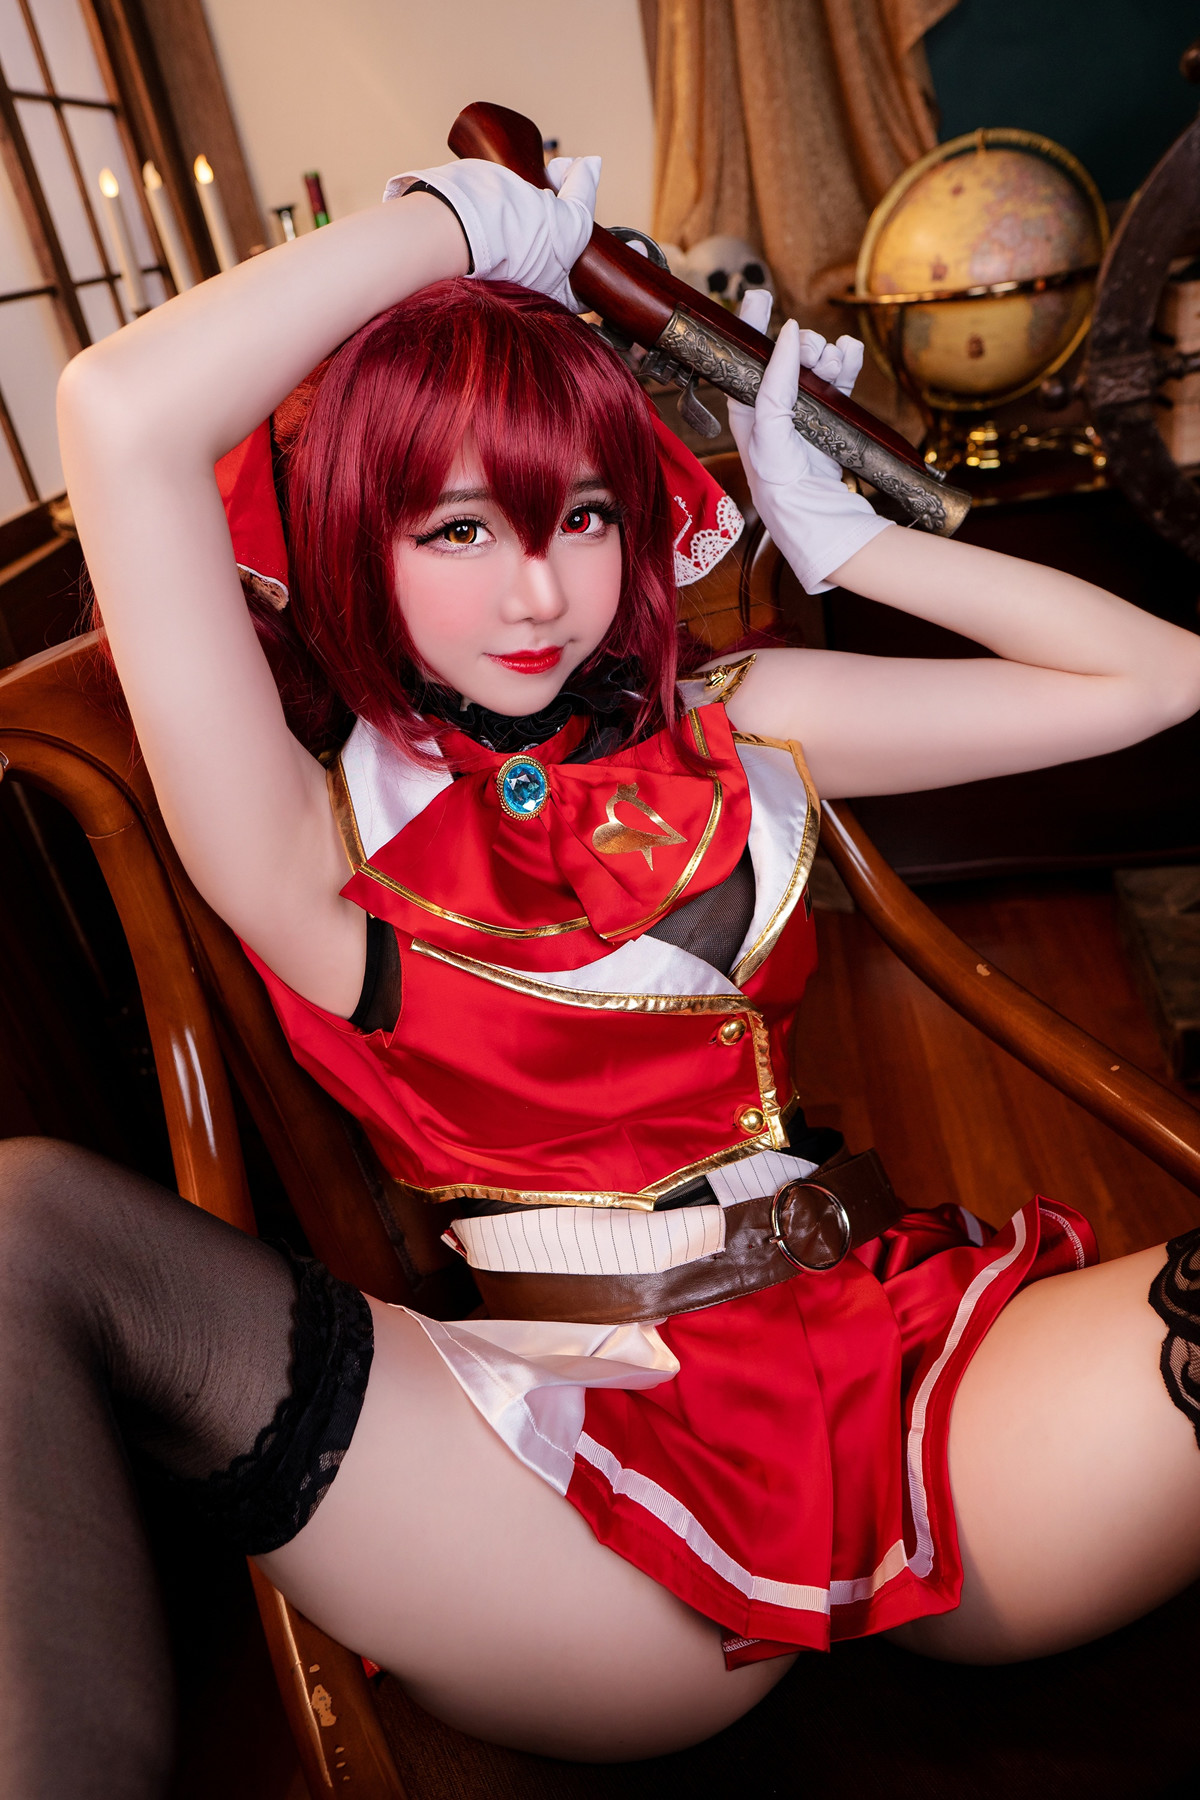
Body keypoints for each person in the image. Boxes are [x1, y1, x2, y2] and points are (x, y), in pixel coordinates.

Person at [4, 150, 1200, 1798]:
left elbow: (1156, 678)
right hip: (580, 1481)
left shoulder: (732, 723)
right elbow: (118, 414)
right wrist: (461, 226)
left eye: (577, 516)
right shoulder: (315, 842)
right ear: (362, 540)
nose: (536, 592)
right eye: (458, 527)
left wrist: (855, 553)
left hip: (898, 1374)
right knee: (25, 1223)